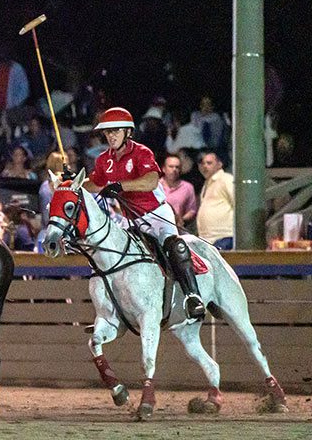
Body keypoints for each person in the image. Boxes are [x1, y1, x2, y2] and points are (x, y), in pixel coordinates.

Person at [82, 107, 205, 321]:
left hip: (155, 214)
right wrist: (72, 181)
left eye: (115, 131)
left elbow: (151, 181)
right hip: (131, 218)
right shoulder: (103, 159)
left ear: (128, 132)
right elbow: (94, 184)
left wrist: (120, 186)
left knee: (173, 246)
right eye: (107, 132)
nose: (111, 136)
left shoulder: (141, 153)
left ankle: (192, 296)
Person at [196, 152, 235, 251]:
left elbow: (238, 204)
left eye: (209, 163)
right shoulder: (206, 184)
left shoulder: (226, 179)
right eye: (203, 163)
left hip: (224, 238)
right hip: (207, 240)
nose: (205, 166)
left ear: (219, 164)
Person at [159, 153, 198, 230]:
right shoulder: (155, 186)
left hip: (178, 230)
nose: (174, 170)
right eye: (171, 166)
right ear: (163, 169)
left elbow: (192, 210)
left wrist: (182, 220)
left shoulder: (188, 187)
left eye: (177, 167)